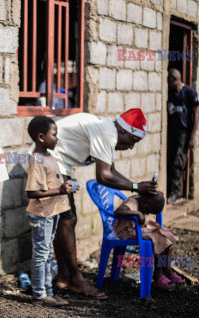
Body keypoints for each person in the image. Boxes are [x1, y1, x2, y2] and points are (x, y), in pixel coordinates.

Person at [50, 108, 157, 298]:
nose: (131, 147)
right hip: (51, 163)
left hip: (54, 163)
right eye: (133, 142)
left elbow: (112, 170)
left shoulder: (108, 131)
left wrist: (137, 187)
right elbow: (103, 176)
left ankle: (63, 276)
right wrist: (135, 186)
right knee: (67, 220)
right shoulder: (107, 132)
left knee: (64, 221)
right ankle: (74, 279)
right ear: (123, 131)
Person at [25, 116, 71, 307]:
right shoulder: (37, 159)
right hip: (42, 214)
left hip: (51, 212)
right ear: (41, 137)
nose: (57, 138)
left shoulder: (48, 156)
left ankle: (48, 292)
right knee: (41, 254)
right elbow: (32, 192)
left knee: (46, 253)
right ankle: (39, 295)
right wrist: (59, 190)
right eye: (54, 135)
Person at [113, 191, 185, 289]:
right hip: (126, 232)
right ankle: (158, 276)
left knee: (169, 235)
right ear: (146, 203)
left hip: (137, 229)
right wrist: (138, 213)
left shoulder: (143, 200)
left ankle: (167, 270)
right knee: (160, 238)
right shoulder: (132, 202)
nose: (146, 213)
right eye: (148, 211)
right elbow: (118, 211)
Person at [167, 68, 199, 204]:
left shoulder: (190, 92)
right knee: (171, 161)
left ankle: (175, 192)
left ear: (175, 79)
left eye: (169, 80)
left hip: (184, 133)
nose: (167, 83)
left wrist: (192, 136)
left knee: (178, 162)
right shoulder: (170, 93)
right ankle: (171, 190)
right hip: (172, 132)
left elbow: (196, 114)